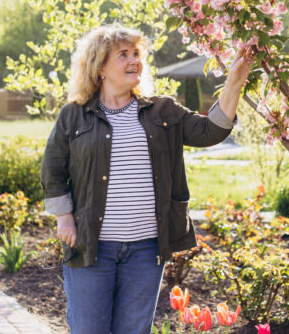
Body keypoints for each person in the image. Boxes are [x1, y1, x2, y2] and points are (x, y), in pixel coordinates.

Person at [40, 25, 253, 334]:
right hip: (90, 245)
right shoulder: (74, 115)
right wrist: (64, 218)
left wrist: (234, 81)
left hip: (145, 249)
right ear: (99, 67)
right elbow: (53, 168)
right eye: (123, 54)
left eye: (137, 54)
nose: (134, 61)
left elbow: (211, 132)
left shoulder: (162, 110)